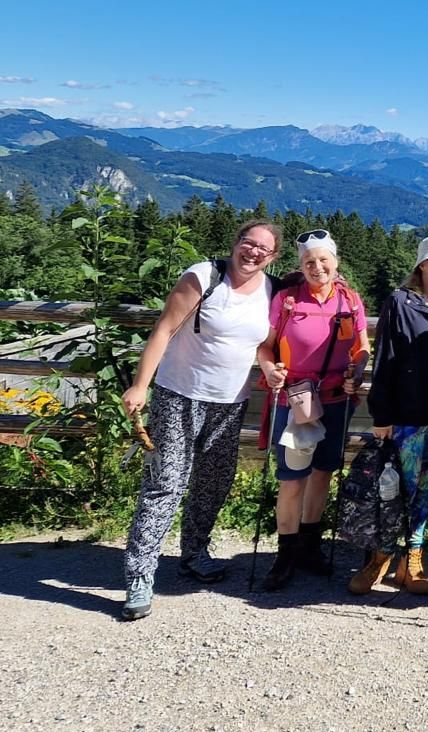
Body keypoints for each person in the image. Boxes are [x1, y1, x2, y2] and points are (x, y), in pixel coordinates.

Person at [119, 219, 281, 621]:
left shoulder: (272, 291)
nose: (253, 253)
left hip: (230, 403)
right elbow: (164, 329)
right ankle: (140, 575)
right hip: (178, 394)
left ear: (273, 257)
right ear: (236, 242)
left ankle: (194, 553)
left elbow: (264, 345)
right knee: (165, 483)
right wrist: (140, 385)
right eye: (248, 243)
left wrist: (269, 367)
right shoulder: (203, 277)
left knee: (213, 482)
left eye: (263, 249)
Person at [254, 230, 371, 592]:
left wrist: (357, 371)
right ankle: (286, 554)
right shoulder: (287, 300)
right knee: (292, 480)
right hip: (294, 400)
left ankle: (308, 545)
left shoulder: (350, 300)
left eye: (323, 260)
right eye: (309, 261)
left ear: (336, 262)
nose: (317, 267)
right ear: (301, 265)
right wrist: (269, 370)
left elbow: (362, 347)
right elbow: (265, 347)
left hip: (335, 399)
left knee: (322, 474)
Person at [355, 233, 428, 596]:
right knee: (395, 489)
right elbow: (386, 357)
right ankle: (381, 556)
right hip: (407, 414)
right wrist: (381, 415)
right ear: (422, 265)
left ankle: (412, 559)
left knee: (423, 490)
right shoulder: (400, 302)